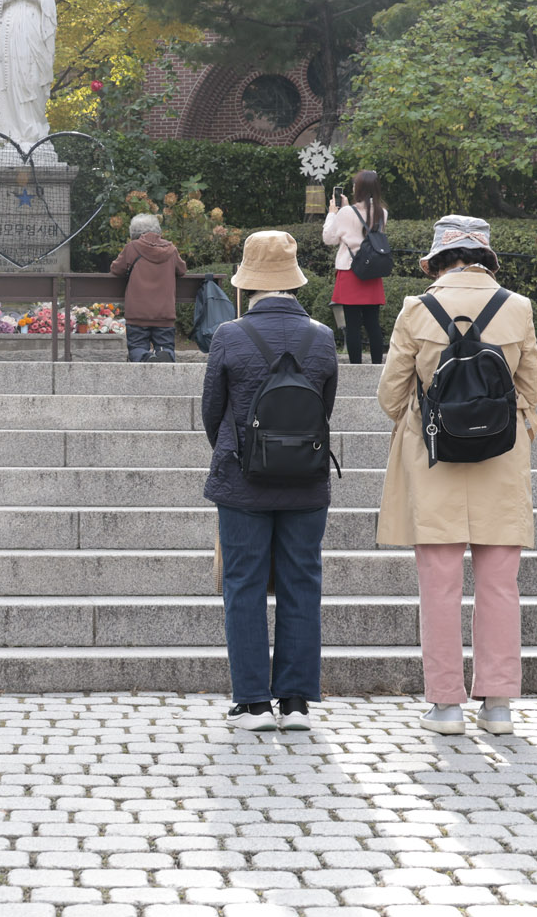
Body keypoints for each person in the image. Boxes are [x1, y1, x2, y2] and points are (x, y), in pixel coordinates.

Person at [376, 216, 537, 737]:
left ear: (437, 261)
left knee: (439, 587)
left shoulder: (415, 309)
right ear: (486, 258)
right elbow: (530, 393)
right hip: (501, 460)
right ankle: (498, 705)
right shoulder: (518, 308)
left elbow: (390, 396)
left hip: (434, 460)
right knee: (500, 586)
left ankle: (446, 706)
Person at [201, 230, 339, 732]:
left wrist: (237, 450)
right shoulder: (322, 337)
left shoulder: (229, 335)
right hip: (306, 480)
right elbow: (324, 408)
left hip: (243, 481)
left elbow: (212, 411)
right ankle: (296, 702)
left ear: (248, 282)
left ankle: (253, 703)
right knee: (303, 583)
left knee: (244, 585)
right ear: (294, 280)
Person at [323, 170, 389, 363]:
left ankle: (356, 367)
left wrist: (332, 214)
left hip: (350, 270)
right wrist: (345, 209)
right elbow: (364, 230)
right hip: (372, 270)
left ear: (358, 188)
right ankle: (377, 366)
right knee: (372, 323)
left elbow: (329, 238)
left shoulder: (345, 213)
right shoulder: (382, 212)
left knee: (352, 325)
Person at [111, 212, 187, 361]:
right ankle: (164, 353)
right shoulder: (171, 249)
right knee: (166, 345)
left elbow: (116, 269)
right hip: (164, 314)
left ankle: (144, 356)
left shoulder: (131, 248)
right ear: (157, 230)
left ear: (134, 232)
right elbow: (182, 270)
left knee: (137, 346)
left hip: (137, 314)